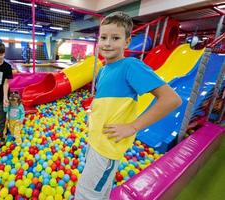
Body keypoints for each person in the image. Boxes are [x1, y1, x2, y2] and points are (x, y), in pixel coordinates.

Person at [75, 11, 182, 200]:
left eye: (115, 38)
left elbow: (171, 99)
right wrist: (95, 111)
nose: (107, 43)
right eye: (104, 37)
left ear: (127, 42)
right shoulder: (104, 69)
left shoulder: (130, 66)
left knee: (86, 194)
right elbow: (110, 101)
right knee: (99, 191)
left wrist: (133, 127)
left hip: (106, 148)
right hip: (96, 141)